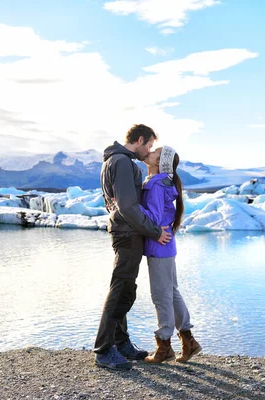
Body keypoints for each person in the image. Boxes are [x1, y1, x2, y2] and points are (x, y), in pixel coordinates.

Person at [94, 124, 172, 370]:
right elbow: (128, 206)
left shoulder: (114, 160)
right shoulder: (123, 162)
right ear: (140, 140)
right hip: (128, 233)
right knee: (121, 289)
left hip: (125, 232)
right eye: (149, 145)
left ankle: (121, 342)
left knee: (125, 287)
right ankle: (104, 350)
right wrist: (155, 231)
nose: (149, 150)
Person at [140, 146, 202, 363]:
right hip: (164, 246)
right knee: (171, 293)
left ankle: (164, 346)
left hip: (159, 246)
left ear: (161, 162)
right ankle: (189, 342)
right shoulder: (161, 182)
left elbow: (154, 218)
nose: (150, 152)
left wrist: (129, 208)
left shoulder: (156, 185)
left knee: (161, 296)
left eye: (155, 152)